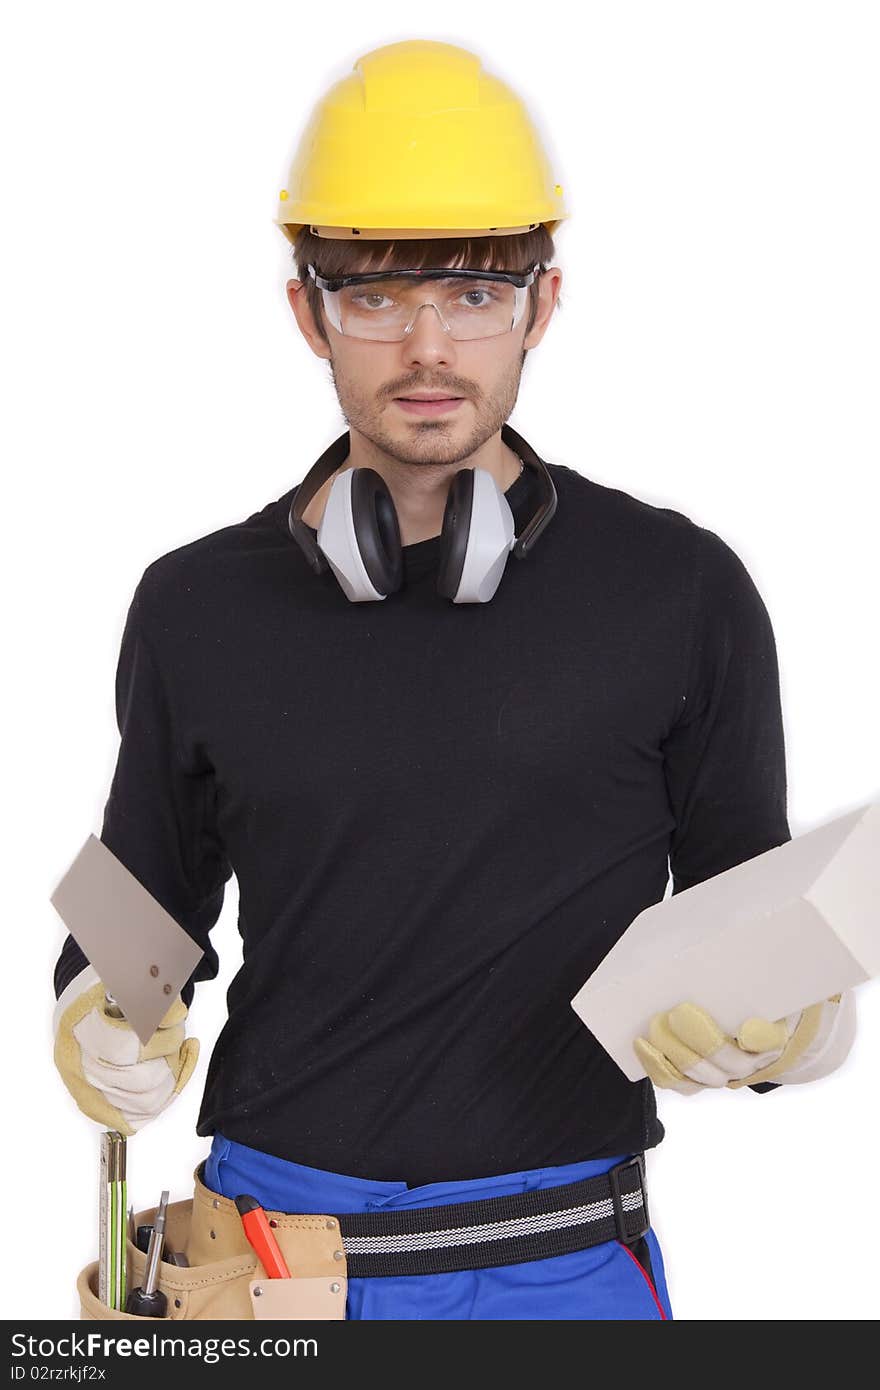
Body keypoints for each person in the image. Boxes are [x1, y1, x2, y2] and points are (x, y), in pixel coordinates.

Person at [51, 38, 856, 1321]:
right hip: (263, 1268)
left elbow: (746, 917)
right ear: (307, 308)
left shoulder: (680, 589)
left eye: (475, 291)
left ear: (542, 304)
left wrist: (797, 1028)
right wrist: (95, 1012)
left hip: (565, 1269)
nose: (428, 345)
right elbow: (139, 904)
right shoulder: (193, 603)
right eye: (374, 294)